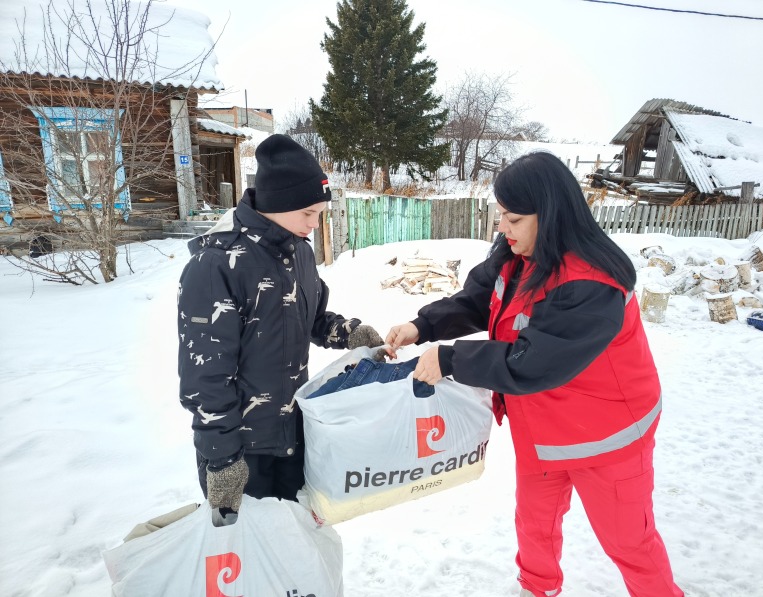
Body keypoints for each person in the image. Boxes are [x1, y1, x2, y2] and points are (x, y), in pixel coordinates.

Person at [386, 151, 683, 597]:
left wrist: (451, 360)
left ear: (551, 214)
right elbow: (479, 300)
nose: (502, 228)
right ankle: (536, 589)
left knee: (628, 542)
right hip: (542, 429)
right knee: (535, 525)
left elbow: (534, 361)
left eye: (514, 219)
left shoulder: (591, 283)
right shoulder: (516, 254)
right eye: (501, 216)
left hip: (607, 437)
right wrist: (422, 325)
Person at [177, 134, 385, 518]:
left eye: (320, 213)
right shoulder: (217, 264)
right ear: (277, 202)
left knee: (293, 541)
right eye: (307, 213)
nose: (314, 224)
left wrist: (348, 333)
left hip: (291, 437)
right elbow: (204, 377)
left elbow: (311, 316)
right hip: (242, 453)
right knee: (243, 551)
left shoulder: (298, 252)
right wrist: (222, 460)